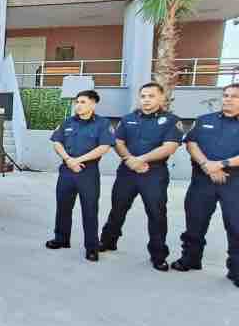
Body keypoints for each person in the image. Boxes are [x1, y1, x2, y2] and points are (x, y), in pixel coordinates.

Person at [99, 83, 182, 271]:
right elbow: (118, 142)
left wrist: (140, 160)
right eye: (143, 96)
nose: (146, 100)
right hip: (127, 171)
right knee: (117, 208)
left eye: (151, 96)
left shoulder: (171, 120)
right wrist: (129, 159)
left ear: (162, 98)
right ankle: (107, 241)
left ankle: (158, 254)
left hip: (154, 173)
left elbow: (170, 146)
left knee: (156, 213)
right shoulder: (127, 119)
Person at [170, 83, 239, 287]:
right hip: (202, 181)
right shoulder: (204, 120)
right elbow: (191, 143)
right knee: (195, 222)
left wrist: (220, 164)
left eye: (234, 96)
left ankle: (236, 270)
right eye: (226, 95)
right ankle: (190, 259)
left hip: (234, 183)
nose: (228, 99)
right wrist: (206, 165)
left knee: (236, 226)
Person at [46, 90, 114, 262]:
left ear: (93, 104)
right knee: (63, 206)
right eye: (77, 101)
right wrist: (69, 160)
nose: (78, 105)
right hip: (67, 170)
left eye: (83, 102)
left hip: (88, 172)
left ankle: (91, 247)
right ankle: (61, 239)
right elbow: (57, 142)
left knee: (90, 210)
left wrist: (78, 160)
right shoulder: (68, 122)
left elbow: (104, 147)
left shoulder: (102, 124)